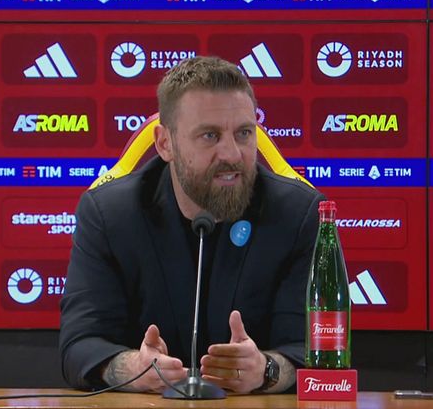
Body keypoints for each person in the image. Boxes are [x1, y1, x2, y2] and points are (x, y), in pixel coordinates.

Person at [59, 56, 324, 394]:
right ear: (164, 143)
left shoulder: (298, 214)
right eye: (210, 136)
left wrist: (266, 370)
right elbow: (80, 346)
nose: (232, 154)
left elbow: (317, 351)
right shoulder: (110, 215)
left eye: (244, 133)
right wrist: (133, 367)